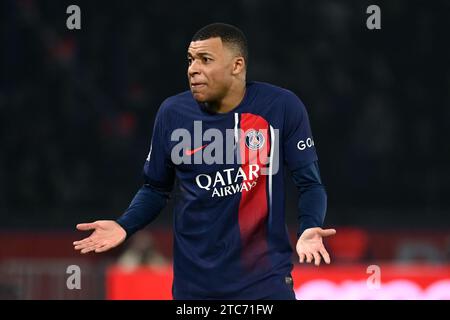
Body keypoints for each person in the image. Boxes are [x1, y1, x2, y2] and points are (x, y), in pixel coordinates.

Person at [73, 23, 336, 300]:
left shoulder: (281, 106)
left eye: (205, 60)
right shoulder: (172, 113)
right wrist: (125, 225)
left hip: (265, 284)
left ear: (237, 65)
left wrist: (308, 226)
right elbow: (155, 188)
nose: (192, 69)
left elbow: (310, 184)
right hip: (195, 290)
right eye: (190, 60)